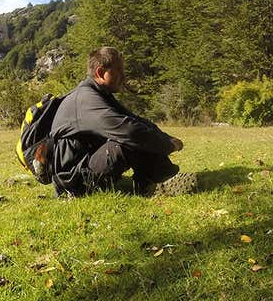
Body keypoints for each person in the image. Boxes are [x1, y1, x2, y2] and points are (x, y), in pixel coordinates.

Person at [49, 46, 183, 196]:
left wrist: (167, 138)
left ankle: (160, 179)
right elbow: (129, 131)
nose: (124, 76)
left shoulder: (100, 94)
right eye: (119, 71)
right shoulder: (86, 99)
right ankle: (161, 181)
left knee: (135, 132)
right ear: (100, 72)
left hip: (84, 167)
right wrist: (167, 145)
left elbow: (135, 120)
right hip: (73, 181)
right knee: (127, 139)